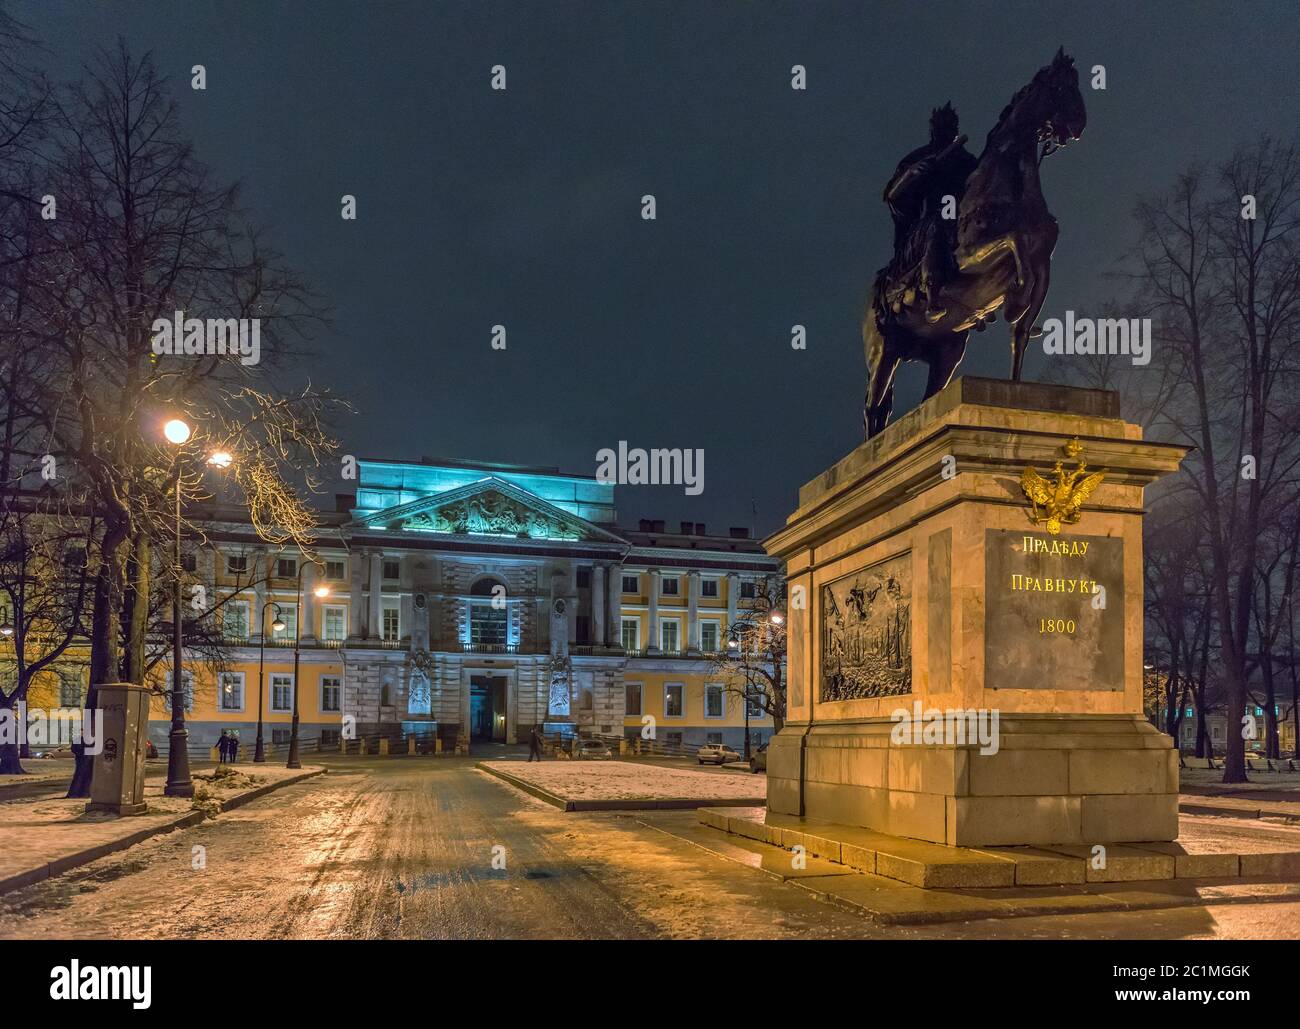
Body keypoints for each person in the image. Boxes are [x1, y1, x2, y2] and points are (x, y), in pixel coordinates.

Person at [881, 102, 977, 320]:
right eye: (942, 127)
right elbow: (891, 196)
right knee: (937, 229)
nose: (947, 132)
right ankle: (932, 297)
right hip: (927, 221)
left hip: (962, 217)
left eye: (951, 127)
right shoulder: (919, 157)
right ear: (934, 130)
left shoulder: (965, 160)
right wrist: (911, 175)